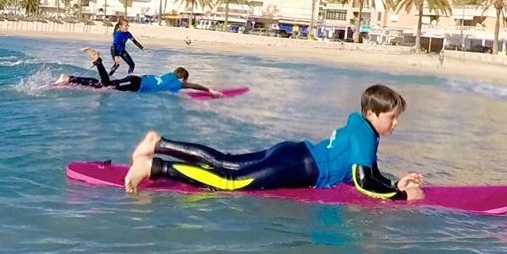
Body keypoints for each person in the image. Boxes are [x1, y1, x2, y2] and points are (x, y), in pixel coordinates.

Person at [124, 84, 424, 200]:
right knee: (228, 181)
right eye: (392, 117)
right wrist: (401, 199)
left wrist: (396, 183)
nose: (395, 123)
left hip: (294, 153)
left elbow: (369, 173)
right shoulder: (365, 134)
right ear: (372, 113)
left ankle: (159, 143)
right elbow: (362, 181)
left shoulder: (362, 129)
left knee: (228, 161)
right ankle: (155, 167)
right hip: (299, 167)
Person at [55, 48, 219, 95]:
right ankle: (98, 61)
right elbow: (194, 86)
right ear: (182, 78)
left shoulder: (168, 75)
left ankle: (69, 78)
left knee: (101, 85)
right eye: (184, 80)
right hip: (135, 84)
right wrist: (209, 90)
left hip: (135, 81)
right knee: (106, 86)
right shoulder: (175, 83)